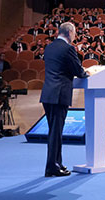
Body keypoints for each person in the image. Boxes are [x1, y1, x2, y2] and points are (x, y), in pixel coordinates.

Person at [40, 21, 88, 177]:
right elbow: (78, 71)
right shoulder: (68, 49)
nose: (75, 36)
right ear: (69, 33)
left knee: (54, 132)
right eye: (74, 33)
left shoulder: (49, 47)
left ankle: (57, 163)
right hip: (59, 94)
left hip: (48, 94)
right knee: (56, 132)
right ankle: (52, 166)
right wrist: (86, 72)